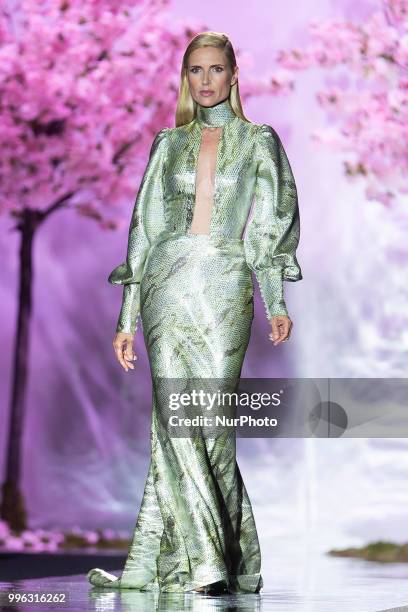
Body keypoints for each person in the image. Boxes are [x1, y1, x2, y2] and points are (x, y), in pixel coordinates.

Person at [87, 31, 302, 595]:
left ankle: (169, 563)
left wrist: (276, 298)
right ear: (185, 78)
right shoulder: (167, 143)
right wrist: (126, 316)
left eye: (215, 69)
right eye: (194, 71)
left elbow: (270, 228)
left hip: (227, 285)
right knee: (173, 420)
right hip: (166, 283)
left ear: (234, 74)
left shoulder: (260, 141)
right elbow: (143, 232)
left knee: (208, 426)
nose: (205, 80)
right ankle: (207, 563)